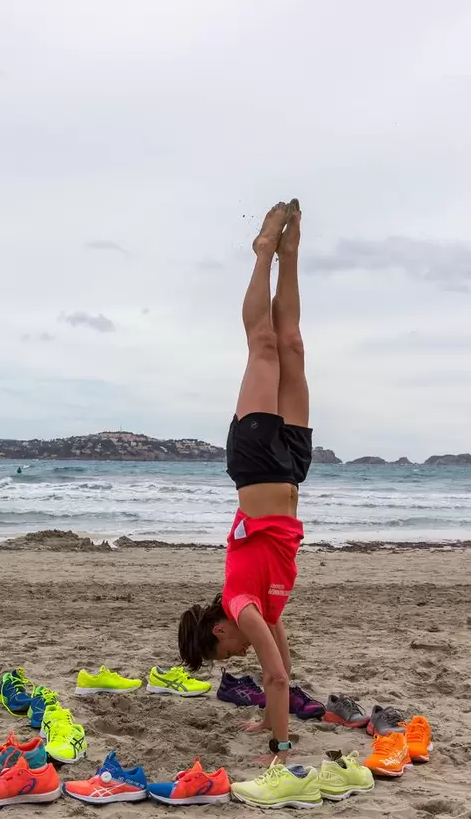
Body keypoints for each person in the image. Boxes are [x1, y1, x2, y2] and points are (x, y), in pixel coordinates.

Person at [178, 199, 312, 762]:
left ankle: (262, 254)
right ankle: (290, 253)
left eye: (226, 655)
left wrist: (280, 748)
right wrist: (267, 717)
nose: (235, 658)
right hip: (293, 468)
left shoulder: (241, 604)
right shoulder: (263, 613)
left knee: (263, 344)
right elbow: (280, 670)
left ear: (219, 631)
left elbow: (275, 676)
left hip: (256, 463)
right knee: (292, 344)